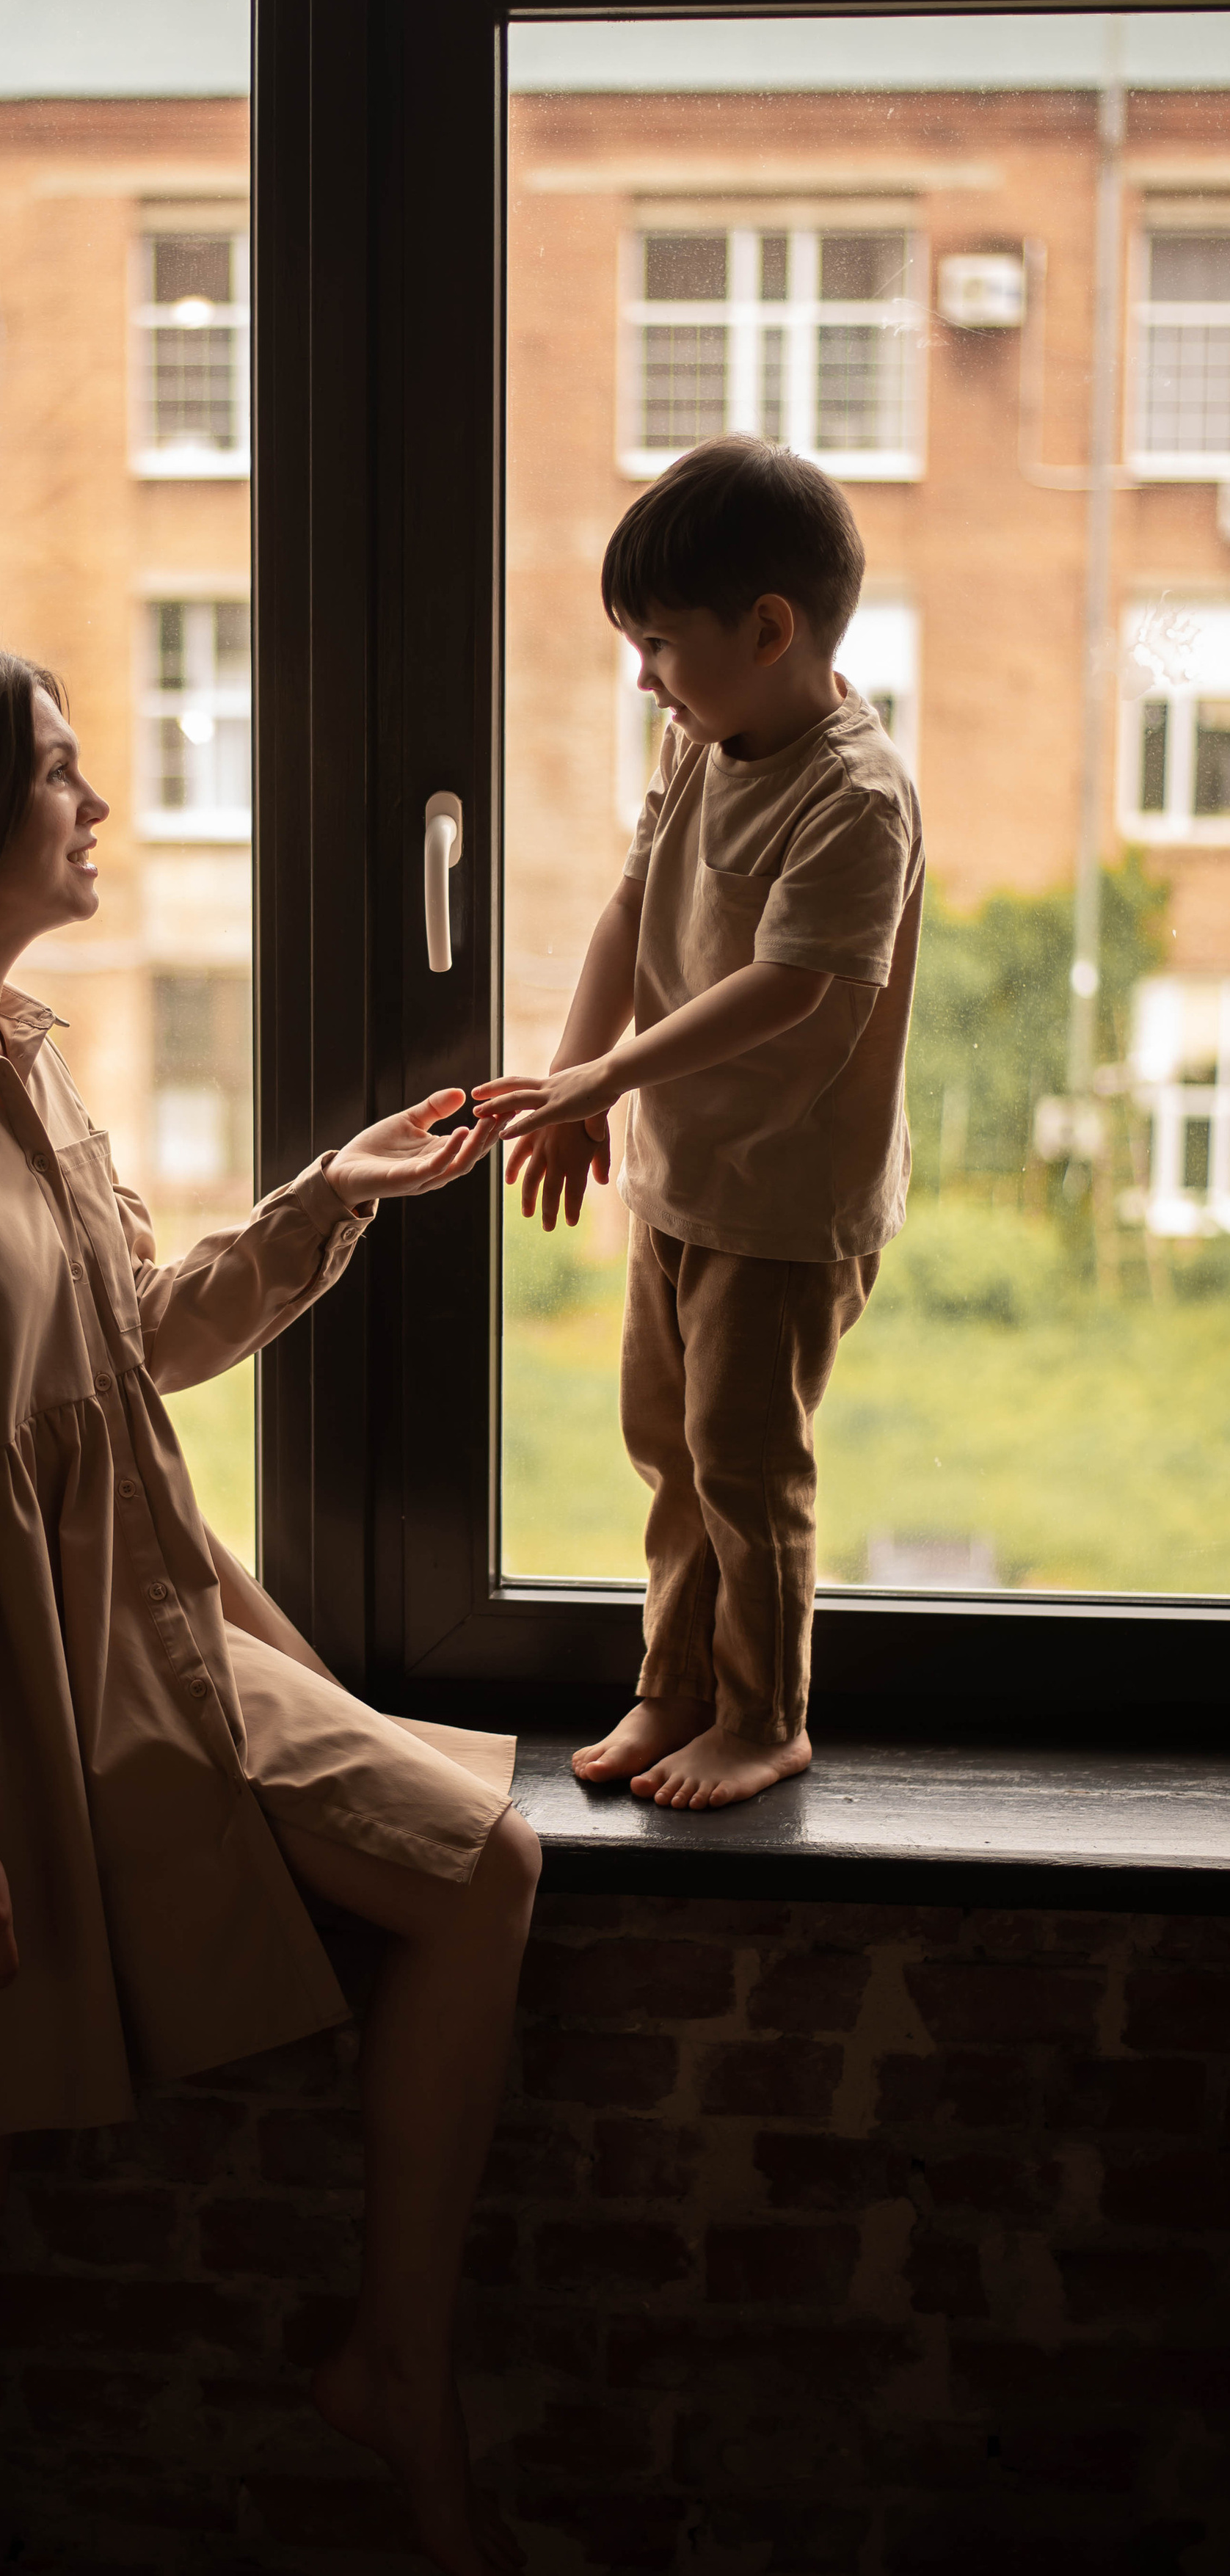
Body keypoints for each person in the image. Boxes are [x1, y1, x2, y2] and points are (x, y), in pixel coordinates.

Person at [0, 639, 540, 2576]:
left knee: (480, 1864)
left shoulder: (24, 1059)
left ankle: (393, 2367)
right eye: (61, 773)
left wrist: (335, 1193)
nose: (97, 809)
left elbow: (124, 1346)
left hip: (138, 1629)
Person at [475, 434, 925, 1811]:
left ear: (772, 629)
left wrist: (604, 1085)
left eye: (663, 644)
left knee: (747, 1462)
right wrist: (570, 1076)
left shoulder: (854, 794)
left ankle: (761, 1713)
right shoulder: (703, 738)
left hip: (785, 1202)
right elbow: (629, 904)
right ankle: (673, 1679)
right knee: (668, 1447)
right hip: (680, 1179)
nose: (644, 677)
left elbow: (790, 989)